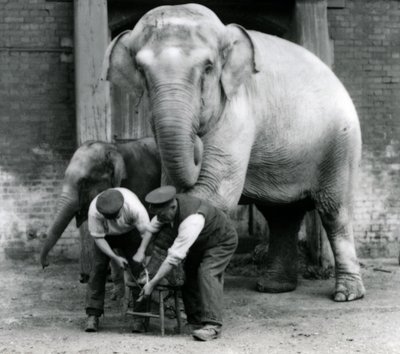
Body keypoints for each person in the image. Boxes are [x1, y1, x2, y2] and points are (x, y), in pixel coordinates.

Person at [140, 185, 238, 341]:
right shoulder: (165, 209)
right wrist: (141, 251)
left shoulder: (192, 220)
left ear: (172, 207)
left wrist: (152, 283)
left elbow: (173, 258)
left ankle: (213, 326)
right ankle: (196, 320)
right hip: (200, 242)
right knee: (189, 274)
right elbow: (151, 229)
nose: (160, 218)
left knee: (208, 272)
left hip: (221, 240)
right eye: (157, 214)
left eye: (161, 215)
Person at [85, 187, 152, 332]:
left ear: (122, 207)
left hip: (130, 233)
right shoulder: (94, 211)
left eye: (116, 216)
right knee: (98, 268)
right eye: (109, 218)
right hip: (105, 236)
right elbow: (98, 238)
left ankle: (140, 317)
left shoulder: (134, 208)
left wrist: (143, 255)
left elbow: (147, 235)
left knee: (138, 269)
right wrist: (115, 257)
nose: (114, 220)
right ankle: (93, 315)